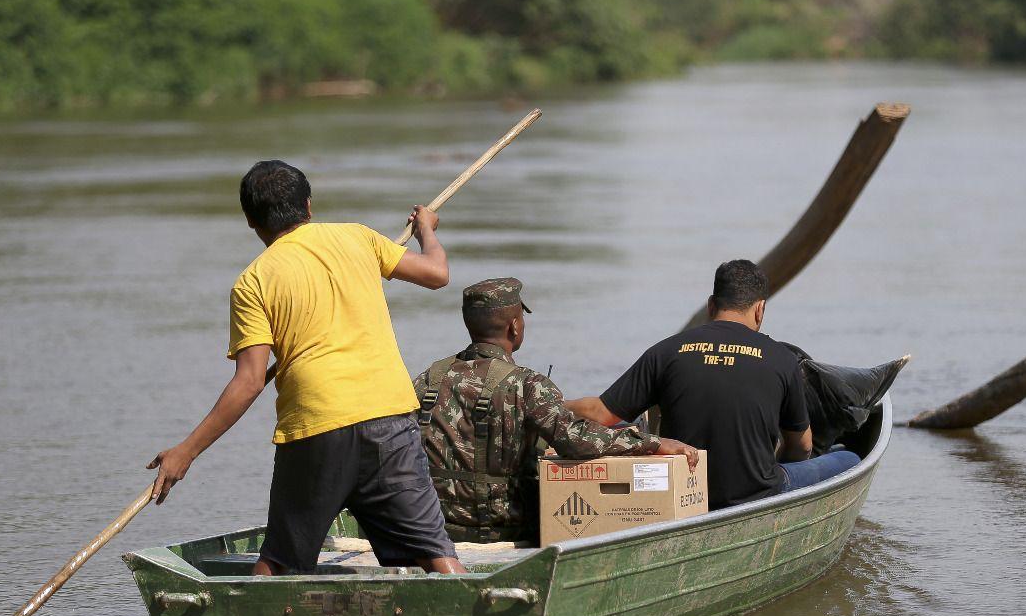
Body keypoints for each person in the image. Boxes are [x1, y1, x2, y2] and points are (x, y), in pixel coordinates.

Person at [147, 160, 467, 575]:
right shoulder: (359, 237)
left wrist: (185, 452)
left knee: (280, 563)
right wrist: (427, 230)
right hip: (389, 419)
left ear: (250, 220)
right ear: (309, 207)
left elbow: (248, 383)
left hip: (317, 428)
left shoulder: (254, 281)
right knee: (435, 555)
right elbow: (437, 273)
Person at [413, 277, 699, 543]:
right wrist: (653, 443)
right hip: (507, 529)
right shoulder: (527, 384)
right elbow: (577, 441)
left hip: (438, 527)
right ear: (514, 326)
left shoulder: (428, 379)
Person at [566, 260, 860, 510]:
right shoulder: (782, 359)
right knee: (848, 457)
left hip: (684, 495)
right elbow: (802, 446)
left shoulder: (667, 351)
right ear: (760, 310)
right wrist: (775, 465)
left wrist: (535, 398)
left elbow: (600, 413)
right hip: (756, 493)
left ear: (710, 305)